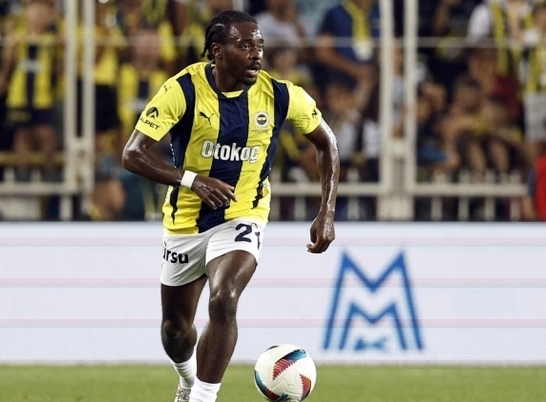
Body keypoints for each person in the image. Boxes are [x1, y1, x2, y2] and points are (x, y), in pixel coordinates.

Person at [121, 9, 339, 402]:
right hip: (186, 221)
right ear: (217, 51)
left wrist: (327, 211)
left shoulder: (281, 95)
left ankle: (203, 397)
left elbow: (327, 143)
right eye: (245, 46)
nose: (256, 54)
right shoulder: (183, 89)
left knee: (224, 298)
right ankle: (187, 380)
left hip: (244, 214)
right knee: (175, 331)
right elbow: (132, 154)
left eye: (260, 45)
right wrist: (192, 180)